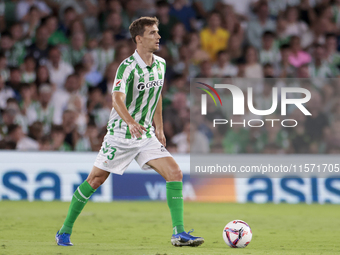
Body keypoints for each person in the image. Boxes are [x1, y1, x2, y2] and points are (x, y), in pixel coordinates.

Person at [55, 16, 204, 247]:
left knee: (175, 172)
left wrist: (160, 127)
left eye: (157, 32)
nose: (158, 36)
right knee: (95, 180)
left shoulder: (161, 64)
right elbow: (116, 98)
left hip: (145, 136)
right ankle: (64, 230)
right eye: (153, 33)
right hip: (121, 134)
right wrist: (131, 122)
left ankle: (179, 233)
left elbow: (156, 97)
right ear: (139, 39)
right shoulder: (127, 67)